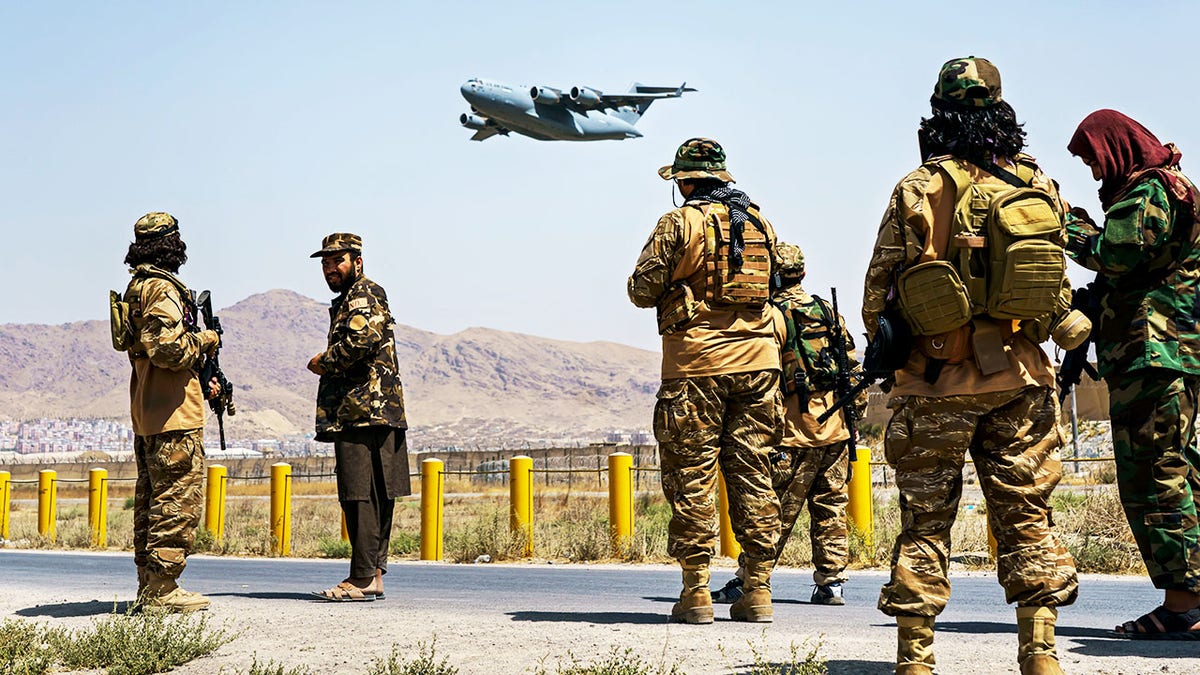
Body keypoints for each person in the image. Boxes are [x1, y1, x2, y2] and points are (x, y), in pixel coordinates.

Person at [862, 58, 1083, 674]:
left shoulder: (918, 186)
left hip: (935, 380)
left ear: (939, 112)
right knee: (1026, 515)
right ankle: (1040, 655)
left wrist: (887, 352)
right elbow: (1056, 284)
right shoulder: (1037, 183)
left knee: (925, 522)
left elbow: (879, 289)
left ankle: (915, 660)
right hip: (1020, 377)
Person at [627, 138, 782, 624]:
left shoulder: (678, 223)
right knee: (755, 474)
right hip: (759, 364)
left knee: (691, 477)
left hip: (696, 366)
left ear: (684, 182)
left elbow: (641, 290)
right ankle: (758, 591)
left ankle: (696, 593)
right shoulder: (759, 222)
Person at [1065, 109, 1200, 639]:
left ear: (1117, 147)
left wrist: (1068, 225)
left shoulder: (1150, 190)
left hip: (1153, 355)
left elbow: (1116, 252)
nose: (1096, 173)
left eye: (1095, 161)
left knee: (1154, 478)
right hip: (1167, 355)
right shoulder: (1170, 185)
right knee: (1179, 472)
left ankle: (1183, 605)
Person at [710, 242, 863, 607]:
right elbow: (851, 369)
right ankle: (832, 584)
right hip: (836, 429)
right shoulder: (826, 312)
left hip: (791, 433)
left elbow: (758, 378)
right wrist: (853, 419)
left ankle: (751, 579)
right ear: (802, 273)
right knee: (831, 509)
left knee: (772, 510)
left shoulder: (769, 317)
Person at [120, 212, 221, 612]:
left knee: (152, 502)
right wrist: (207, 339)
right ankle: (163, 589)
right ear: (172, 245)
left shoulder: (138, 287)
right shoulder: (161, 288)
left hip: (148, 412)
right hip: (174, 414)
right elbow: (169, 350)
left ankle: (149, 587)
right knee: (176, 502)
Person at [307, 233, 410, 602]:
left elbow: (360, 342)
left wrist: (323, 362)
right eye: (325, 263)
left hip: (362, 410)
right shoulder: (356, 296)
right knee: (376, 495)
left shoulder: (362, 295)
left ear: (357, 262)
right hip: (375, 410)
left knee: (359, 495)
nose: (330, 268)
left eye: (338, 260)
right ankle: (373, 575)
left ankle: (362, 577)